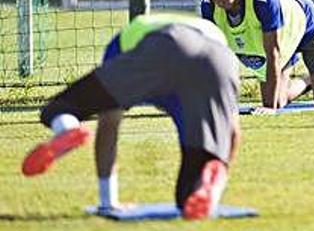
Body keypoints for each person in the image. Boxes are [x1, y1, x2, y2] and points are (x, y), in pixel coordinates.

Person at [22, 14, 241, 220]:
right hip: (219, 59)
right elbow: (233, 130)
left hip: (166, 45)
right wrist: (223, 164)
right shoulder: (208, 41)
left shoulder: (122, 44)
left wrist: (108, 202)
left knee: (61, 107)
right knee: (190, 193)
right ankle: (210, 181)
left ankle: (67, 127)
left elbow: (109, 123)